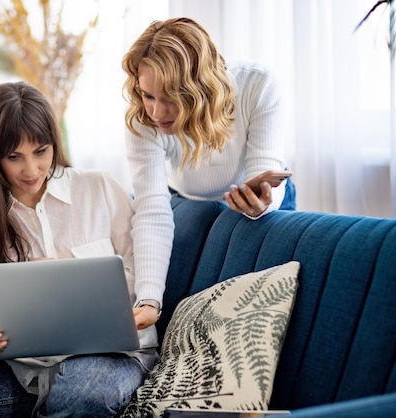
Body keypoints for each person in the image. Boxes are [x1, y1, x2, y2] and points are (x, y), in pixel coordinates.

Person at [0, 82, 159, 418]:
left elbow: (141, 279)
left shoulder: (100, 189)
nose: (32, 170)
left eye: (41, 151)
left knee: (82, 394)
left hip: (109, 357)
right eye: (14, 157)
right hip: (16, 369)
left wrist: (63, 284)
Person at [121, 17, 295, 313]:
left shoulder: (258, 85)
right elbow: (151, 210)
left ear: (200, 89)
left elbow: (264, 171)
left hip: (257, 201)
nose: (156, 111)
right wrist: (148, 299)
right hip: (186, 201)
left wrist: (262, 204)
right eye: (148, 94)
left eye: (171, 98)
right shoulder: (142, 117)